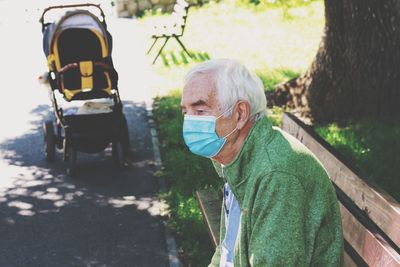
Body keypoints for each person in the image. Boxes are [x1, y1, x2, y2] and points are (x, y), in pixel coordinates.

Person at [180, 59, 343, 266]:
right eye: (185, 112)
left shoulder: (276, 176)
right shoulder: (237, 156)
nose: (189, 122)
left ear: (240, 114)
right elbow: (227, 249)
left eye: (200, 111)